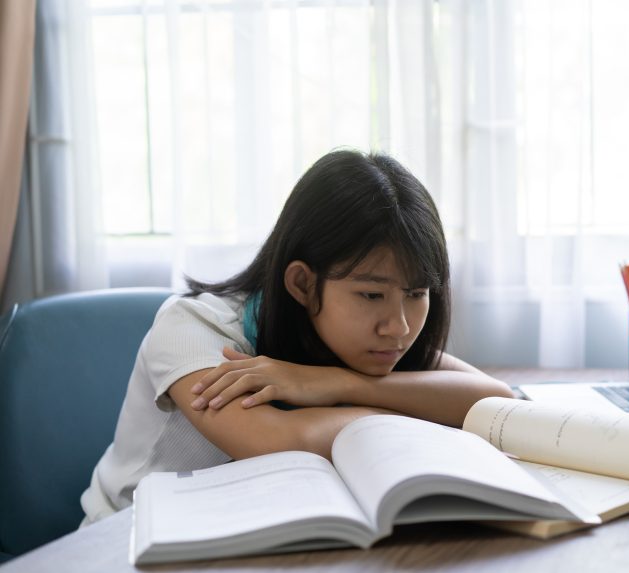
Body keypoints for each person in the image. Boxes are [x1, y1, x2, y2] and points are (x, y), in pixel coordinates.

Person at [80, 149, 514, 525]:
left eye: (417, 293)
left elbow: (496, 402)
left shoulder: (363, 344)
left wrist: (340, 383)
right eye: (371, 293)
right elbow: (284, 442)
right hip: (126, 541)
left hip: (251, 535)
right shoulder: (193, 327)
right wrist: (411, 407)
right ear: (303, 284)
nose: (398, 326)